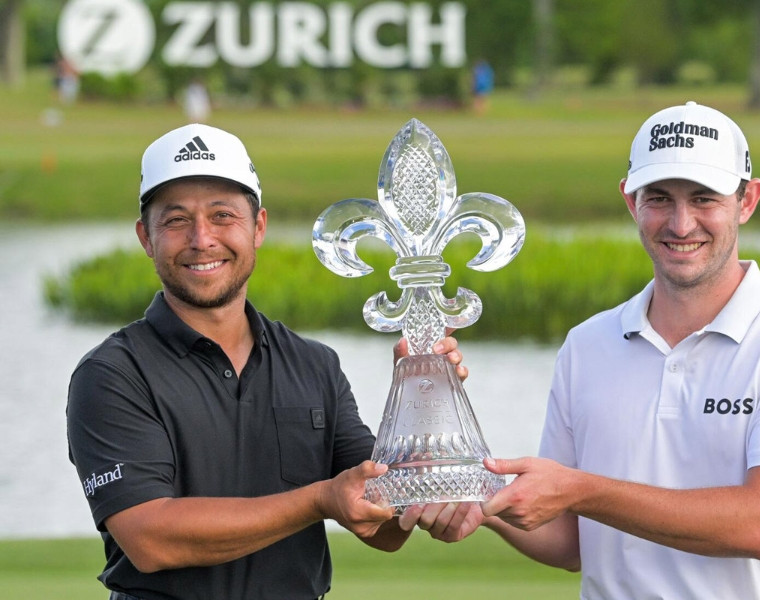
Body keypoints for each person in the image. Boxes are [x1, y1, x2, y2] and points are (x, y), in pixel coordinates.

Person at [403, 101, 760, 599]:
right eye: (659, 198)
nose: (681, 224)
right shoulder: (588, 344)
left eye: (704, 198)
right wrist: (471, 489)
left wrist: (580, 489)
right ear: (629, 200)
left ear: (747, 201)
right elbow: (572, 541)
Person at [66, 123, 467, 600]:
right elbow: (151, 539)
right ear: (146, 238)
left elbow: (383, 527)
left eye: (222, 215)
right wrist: (319, 499)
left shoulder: (314, 364)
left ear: (257, 228)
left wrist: (420, 398)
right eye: (175, 220)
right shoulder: (112, 374)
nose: (202, 238)